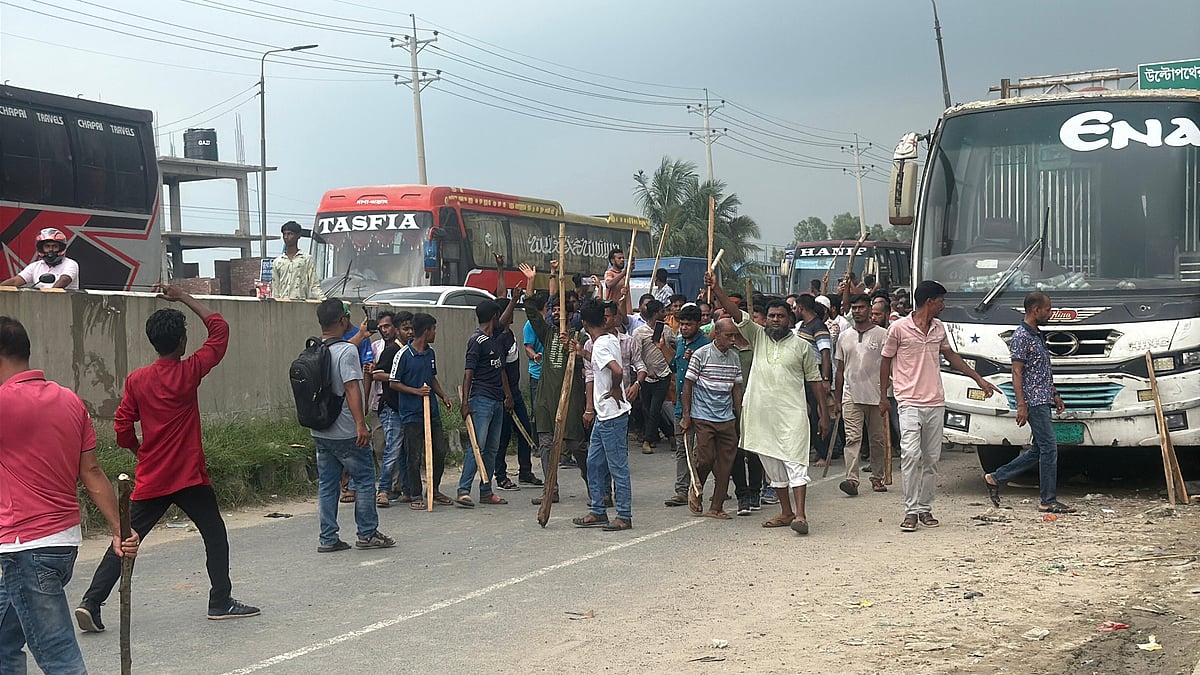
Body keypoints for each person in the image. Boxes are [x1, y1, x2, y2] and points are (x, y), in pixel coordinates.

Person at [76, 285, 259, 630]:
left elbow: (121, 425)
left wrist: (138, 450)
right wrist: (184, 297)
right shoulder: (189, 372)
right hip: (189, 476)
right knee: (214, 533)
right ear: (181, 343)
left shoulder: (137, 380)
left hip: (152, 476)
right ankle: (220, 600)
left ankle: (91, 601)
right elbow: (220, 329)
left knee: (126, 539)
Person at [0, 316, 140, 672]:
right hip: (61, 544)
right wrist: (118, 529)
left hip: (24, 548)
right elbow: (91, 472)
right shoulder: (69, 401)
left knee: (59, 657)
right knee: (3, 643)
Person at [708, 273, 830, 535]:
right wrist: (716, 288)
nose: (776, 320)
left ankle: (800, 515)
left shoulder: (802, 346)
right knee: (773, 466)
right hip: (761, 414)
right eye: (772, 316)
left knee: (796, 461)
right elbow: (734, 313)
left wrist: (823, 413)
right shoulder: (758, 335)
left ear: (790, 319)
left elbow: (815, 380)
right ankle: (786, 512)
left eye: (781, 316)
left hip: (792, 414)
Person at [880, 280, 1001, 533]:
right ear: (929, 302)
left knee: (931, 459)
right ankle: (910, 510)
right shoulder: (898, 329)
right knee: (911, 455)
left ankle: (925, 508)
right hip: (908, 401)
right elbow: (885, 361)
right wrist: (883, 395)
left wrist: (978, 379)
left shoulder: (938, 328)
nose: (943, 306)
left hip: (935, 401)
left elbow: (951, 356)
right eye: (941, 301)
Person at [305, 299, 395, 552]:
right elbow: (352, 387)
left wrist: (362, 335)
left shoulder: (316, 348)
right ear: (343, 320)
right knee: (365, 479)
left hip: (321, 430)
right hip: (346, 430)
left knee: (327, 483)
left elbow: (341, 352)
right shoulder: (346, 353)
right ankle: (367, 534)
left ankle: (328, 537)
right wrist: (360, 424)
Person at [985, 292, 1075, 514]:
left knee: (1039, 449)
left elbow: (1042, 370)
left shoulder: (1037, 334)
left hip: (1043, 397)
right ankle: (1048, 499)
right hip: (1033, 400)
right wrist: (1021, 405)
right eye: (1047, 309)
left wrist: (1054, 394)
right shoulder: (1021, 337)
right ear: (1036, 310)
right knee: (1049, 448)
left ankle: (996, 477)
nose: (1050, 313)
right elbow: (1017, 372)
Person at [519, 263, 588, 504]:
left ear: (571, 315)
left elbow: (588, 366)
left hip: (571, 401)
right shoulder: (547, 334)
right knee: (546, 445)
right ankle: (550, 489)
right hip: (547, 400)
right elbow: (530, 312)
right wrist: (530, 280)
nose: (556, 313)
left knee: (577, 446)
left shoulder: (581, 337)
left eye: (561, 310)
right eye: (554, 309)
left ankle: (597, 490)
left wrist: (576, 350)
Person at [571, 301, 634, 532]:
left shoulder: (601, 345)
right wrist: (582, 352)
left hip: (612, 415)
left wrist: (616, 387)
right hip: (603, 415)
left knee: (617, 466)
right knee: (594, 462)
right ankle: (598, 510)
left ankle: (624, 515)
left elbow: (616, 370)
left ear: (585, 323)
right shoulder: (605, 341)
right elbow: (602, 363)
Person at [680, 318, 744, 519]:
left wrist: (739, 418)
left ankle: (716, 507)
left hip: (726, 417)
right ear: (717, 334)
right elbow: (688, 386)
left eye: (735, 335)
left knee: (726, 463)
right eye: (728, 336)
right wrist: (686, 415)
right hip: (703, 416)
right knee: (706, 458)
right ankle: (696, 488)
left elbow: (737, 389)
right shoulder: (701, 355)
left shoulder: (734, 357)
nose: (733, 340)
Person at [391, 312, 455, 510]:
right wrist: (416, 391)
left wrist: (443, 395)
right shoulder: (403, 354)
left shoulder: (430, 353)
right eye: (434, 329)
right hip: (412, 413)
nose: (435, 333)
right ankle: (416, 494)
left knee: (439, 450)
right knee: (414, 455)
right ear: (426, 331)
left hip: (432, 411)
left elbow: (432, 377)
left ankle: (434, 489)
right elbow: (394, 383)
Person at [457, 300, 513, 507]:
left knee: (492, 449)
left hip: (497, 400)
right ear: (493, 317)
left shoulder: (494, 337)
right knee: (476, 447)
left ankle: (486, 490)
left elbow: (501, 371)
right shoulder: (477, 341)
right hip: (481, 400)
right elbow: (468, 372)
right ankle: (463, 489)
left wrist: (515, 299)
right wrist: (465, 402)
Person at [834, 294, 889, 495]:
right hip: (851, 394)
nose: (857, 311)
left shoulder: (883, 335)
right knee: (852, 438)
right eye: (854, 308)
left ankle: (877, 478)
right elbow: (839, 370)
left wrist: (885, 396)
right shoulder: (844, 336)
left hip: (876, 395)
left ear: (869, 309)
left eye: (861, 307)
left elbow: (889, 366)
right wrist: (837, 398)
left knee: (877, 439)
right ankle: (852, 480)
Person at [493, 258, 539, 490]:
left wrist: (501, 269)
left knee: (525, 432)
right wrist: (508, 396)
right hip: (504, 395)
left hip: (514, 393)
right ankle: (500, 476)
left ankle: (525, 471)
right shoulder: (499, 337)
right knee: (502, 436)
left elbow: (501, 295)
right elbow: (499, 369)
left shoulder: (509, 333)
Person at [664, 303, 710, 507]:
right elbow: (674, 366)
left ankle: (701, 488)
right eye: (682, 324)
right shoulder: (681, 342)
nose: (684, 328)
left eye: (688, 324)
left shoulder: (706, 346)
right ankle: (682, 490)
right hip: (680, 406)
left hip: (700, 406)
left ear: (699, 324)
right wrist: (662, 348)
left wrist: (696, 361)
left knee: (702, 451)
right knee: (683, 449)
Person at [371, 311, 413, 506]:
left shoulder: (410, 350)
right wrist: (398, 377)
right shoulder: (392, 351)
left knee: (403, 449)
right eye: (406, 329)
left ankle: (406, 489)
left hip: (405, 406)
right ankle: (383, 490)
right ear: (397, 330)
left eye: (412, 328)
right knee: (393, 449)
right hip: (390, 406)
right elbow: (377, 374)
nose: (410, 332)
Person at [630, 299, 675, 454]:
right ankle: (670, 434)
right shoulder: (639, 333)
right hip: (647, 377)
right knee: (648, 409)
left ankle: (648, 441)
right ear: (656, 314)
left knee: (655, 408)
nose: (665, 314)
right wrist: (646, 369)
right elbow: (635, 356)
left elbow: (675, 344)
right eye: (662, 311)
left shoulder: (667, 331)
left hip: (664, 374)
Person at [1, 228, 79, 290]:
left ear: (61, 248)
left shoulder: (70, 264)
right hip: (41, 305)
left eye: (55, 246)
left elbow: (64, 280)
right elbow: (16, 281)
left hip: (66, 306)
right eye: (47, 246)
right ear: (41, 248)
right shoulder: (35, 266)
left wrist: (48, 296)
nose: (50, 250)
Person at [270, 221, 326, 300]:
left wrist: (324, 301)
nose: (286, 237)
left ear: (298, 236)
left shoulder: (306, 259)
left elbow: (314, 284)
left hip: (300, 305)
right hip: (282, 305)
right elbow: (275, 287)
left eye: (290, 234)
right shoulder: (278, 261)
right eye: (284, 234)